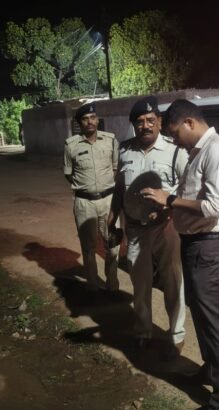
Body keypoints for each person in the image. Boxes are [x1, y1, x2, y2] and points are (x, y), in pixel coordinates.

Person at [140, 99, 219, 410]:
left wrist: (170, 199)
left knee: (214, 322)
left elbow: (212, 207)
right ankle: (210, 371)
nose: (174, 141)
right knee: (201, 314)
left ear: (189, 123)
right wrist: (170, 206)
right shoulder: (199, 152)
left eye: (175, 134)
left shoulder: (217, 152)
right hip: (196, 243)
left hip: (209, 246)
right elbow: (193, 195)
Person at [107, 96, 189, 358]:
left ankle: (176, 334)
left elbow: (188, 188)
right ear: (134, 125)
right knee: (140, 283)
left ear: (160, 122)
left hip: (166, 228)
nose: (146, 126)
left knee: (173, 281)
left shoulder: (175, 150)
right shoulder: (124, 151)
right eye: (140, 122)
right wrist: (112, 218)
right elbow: (120, 188)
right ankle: (143, 331)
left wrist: (170, 206)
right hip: (135, 230)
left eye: (151, 120)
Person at [64, 103, 120, 292]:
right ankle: (93, 285)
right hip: (84, 202)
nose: (90, 121)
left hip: (109, 200)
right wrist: (86, 187)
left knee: (113, 243)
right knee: (88, 246)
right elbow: (69, 173)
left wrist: (104, 186)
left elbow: (115, 168)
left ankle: (112, 283)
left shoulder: (110, 140)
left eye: (93, 117)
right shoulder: (71, 145)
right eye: (85, 119)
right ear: (79, 122)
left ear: (97, 120)